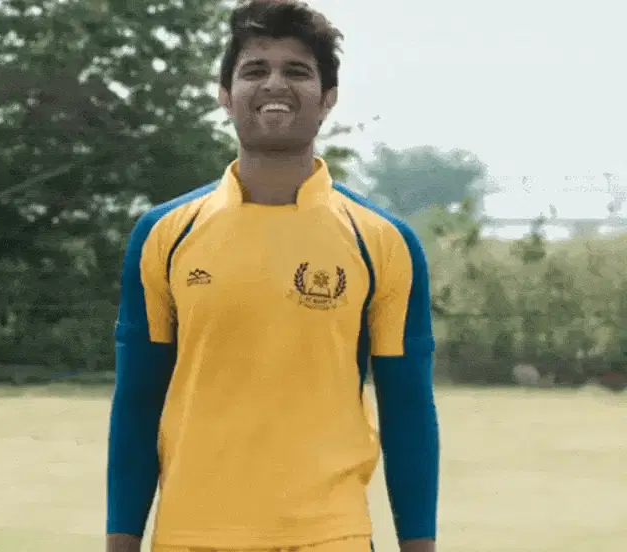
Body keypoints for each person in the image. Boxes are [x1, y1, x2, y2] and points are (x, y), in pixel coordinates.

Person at [106, 2, 439, 552]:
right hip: (192, 535)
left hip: (330, 536)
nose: (274, 84)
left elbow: (407, 413)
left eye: (297, 71)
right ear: (225, 94)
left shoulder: (383, 240)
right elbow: (137, 405)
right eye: (255, 70)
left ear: (328, 98)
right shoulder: (164, 234)